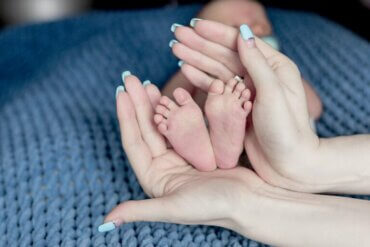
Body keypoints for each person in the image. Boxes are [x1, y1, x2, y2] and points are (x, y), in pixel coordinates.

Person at [98, 21, 370, 246]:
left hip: (250, 128)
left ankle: (211, 143)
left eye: (255, 16)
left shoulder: (259, 53)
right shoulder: (204, 63)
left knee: (226, 100)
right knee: (215, 99)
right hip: (253, 129)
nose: (248, 18)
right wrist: (306, 158)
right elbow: (173, 92)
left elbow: (313, 105)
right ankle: (209, 141)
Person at [162, 0, 323, 122]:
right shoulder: (197, 67)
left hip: (283, 138)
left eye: (263, 26)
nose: (257, 31)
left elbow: (314, 108)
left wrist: (273, 70)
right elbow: (167, 104)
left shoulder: (281, 69)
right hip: (212, 136)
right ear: (200, 43)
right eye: (237, 26)